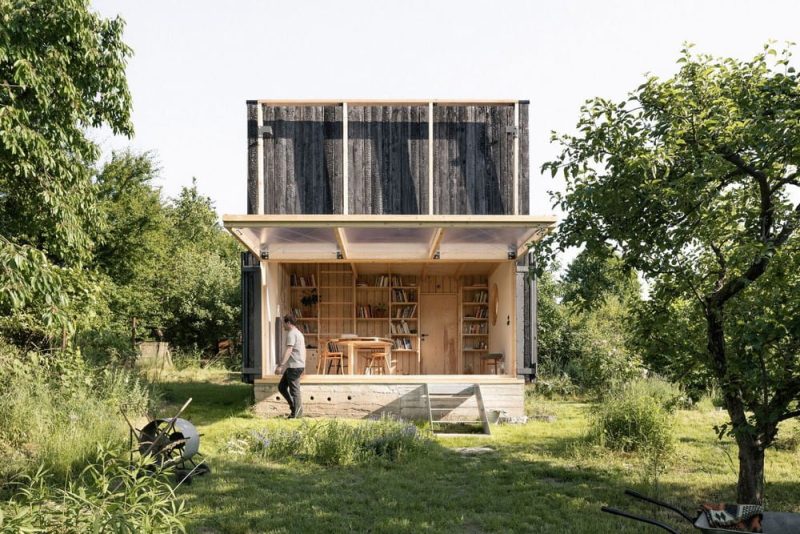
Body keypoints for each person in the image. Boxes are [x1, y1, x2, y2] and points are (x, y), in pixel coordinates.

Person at [276, 314, 305, 418]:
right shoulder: (298, 333)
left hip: (294, 366)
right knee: (282, 387)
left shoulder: (291, 334)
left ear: (288, 323)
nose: (283, 325)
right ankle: (294, 408)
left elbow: (289, 350)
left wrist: (280, 366)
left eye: (284, 323)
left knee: (294, 391)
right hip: (295, 365)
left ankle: (297, 414)